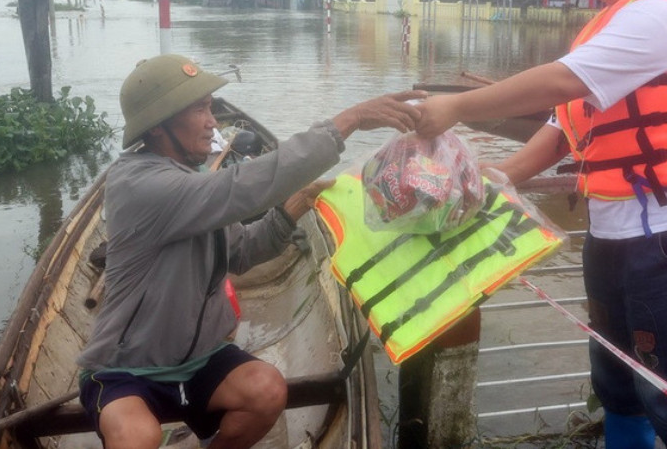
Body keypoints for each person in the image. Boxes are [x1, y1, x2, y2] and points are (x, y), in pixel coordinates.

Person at [415, 0, 667, 449]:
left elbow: (563, 82)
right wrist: (509, 172)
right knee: (619, 382)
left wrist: (456, 107)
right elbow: (568, 121)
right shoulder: (603, 28)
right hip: (612, 232)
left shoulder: (663, 14)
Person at [76, 53, 424, 449]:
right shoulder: (140, 185)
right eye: (199, 110)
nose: (213, 122)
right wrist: (350, 121)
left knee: (267, 390)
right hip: (127, 369)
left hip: (199, 361)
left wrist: (298, 204)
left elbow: (242, 252)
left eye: (211, 108)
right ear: (157, 128)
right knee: (138, 436)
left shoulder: (194, 180)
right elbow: (243, 187)